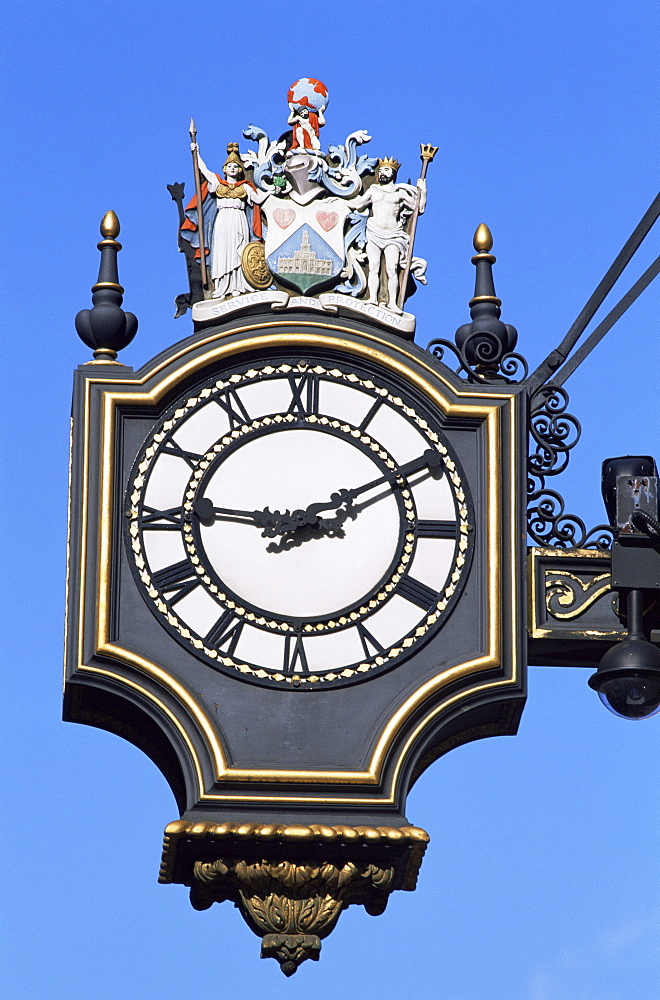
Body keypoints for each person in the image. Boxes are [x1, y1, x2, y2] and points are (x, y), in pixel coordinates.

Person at [184, 143, 265, 299]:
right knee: (223, 251)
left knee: (239, 250)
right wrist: (197, 153)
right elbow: (204, 170)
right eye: (230, 166)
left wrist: (272, 190)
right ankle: (222, 286)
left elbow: (258, 199)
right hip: (223, 221)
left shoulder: (245, 187)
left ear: (240, 170)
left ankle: (239, 285)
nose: (233, 168)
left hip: (239, 220)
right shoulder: (218, 184)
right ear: (225, 169)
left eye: (236, 166)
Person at [349, 158, 426, 313]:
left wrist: (423, 191)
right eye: (382, 170)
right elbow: (357, 205)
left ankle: (392, 303)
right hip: (374, 232)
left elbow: (419, 209)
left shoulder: (399, 194)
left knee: (392, 269)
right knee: (374, 267)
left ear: (393, 174)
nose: (382, 173)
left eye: (387, 170)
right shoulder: (373, 191)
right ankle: (372, 299)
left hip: (393, 235)